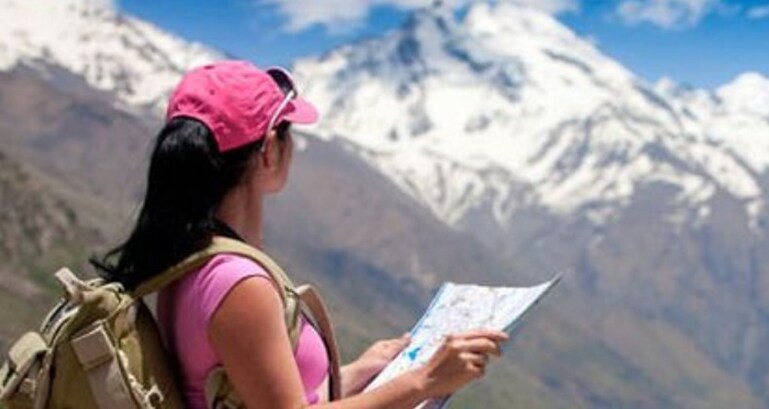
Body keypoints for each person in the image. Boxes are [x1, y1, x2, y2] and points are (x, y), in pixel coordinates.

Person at [92, 60, 508, 409]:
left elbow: (257, 392)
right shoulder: (237, 283)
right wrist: (425, 380)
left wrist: (360, 372)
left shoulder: (189, 263)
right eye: (289, 133)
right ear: (270, 149)